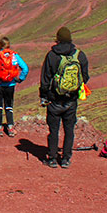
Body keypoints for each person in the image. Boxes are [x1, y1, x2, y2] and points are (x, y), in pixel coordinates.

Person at [38, 26, 89, 169]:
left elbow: (45, 79)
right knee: (69, 130)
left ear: (58, 39)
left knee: (53, 130)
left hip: (54, 100)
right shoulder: (80, 55)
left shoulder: (52, 55)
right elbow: (85, 76)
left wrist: (43, 96)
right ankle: (66, 158)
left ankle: (52, 158)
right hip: (71, 100)